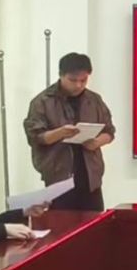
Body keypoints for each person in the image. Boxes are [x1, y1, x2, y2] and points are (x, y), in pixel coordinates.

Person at [24, 52, 116, 212]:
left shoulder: (94, 100)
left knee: (93, 222)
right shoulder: (43, 101)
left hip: (90, 177)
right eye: (73, 80)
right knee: (61, 223)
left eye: (84, 80)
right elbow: (36, 136)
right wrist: (60, 133)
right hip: (58, 176)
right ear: (61, 75)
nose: (79, 85)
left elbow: (109, 131)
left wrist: (97, 142)